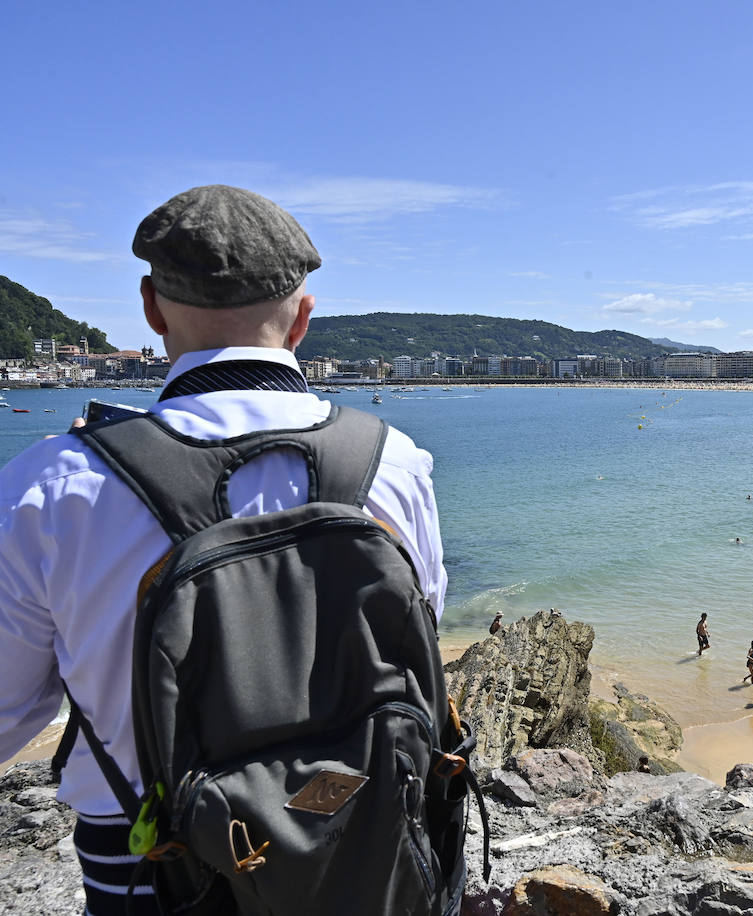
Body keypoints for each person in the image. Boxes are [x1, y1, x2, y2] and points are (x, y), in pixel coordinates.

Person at [0, 185, 448, 916]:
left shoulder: (51, 486)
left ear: (150, 308)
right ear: (303, 319)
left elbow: (6, 712)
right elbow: (416, 643)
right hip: (365, 837)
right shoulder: (393, 463)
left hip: (153, 864)